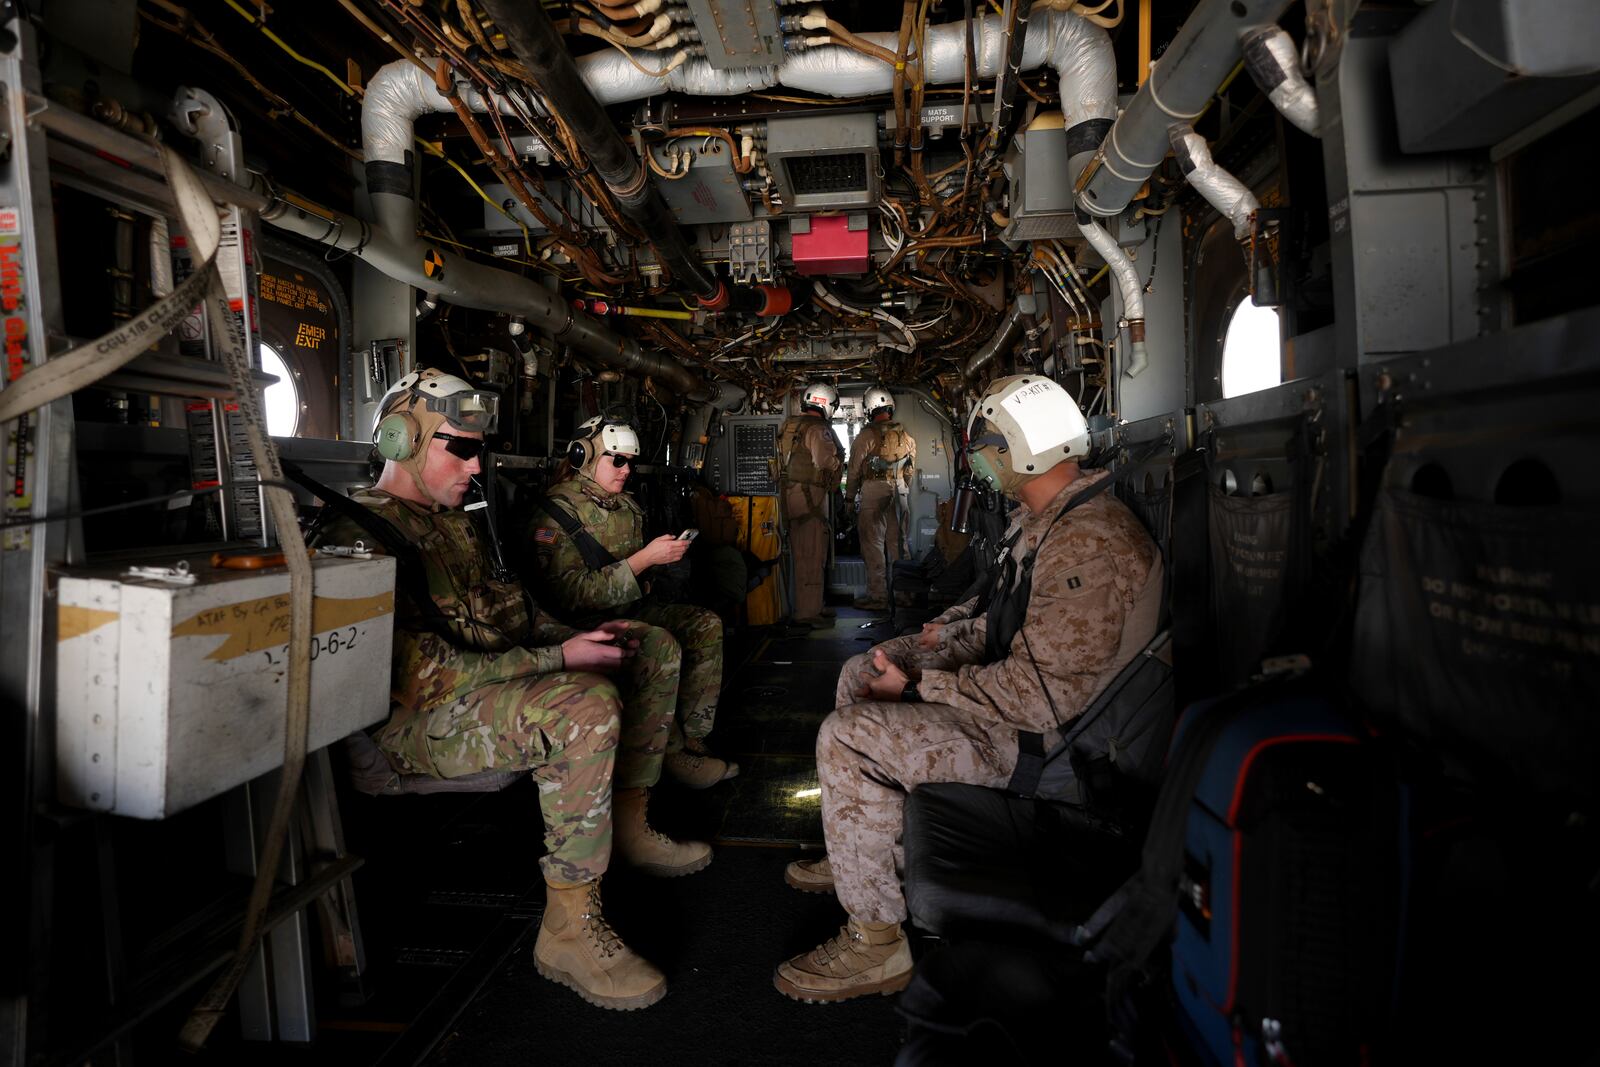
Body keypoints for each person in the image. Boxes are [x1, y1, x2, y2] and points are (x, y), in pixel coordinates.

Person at [311, 368, 709, 1013]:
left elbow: (513, 616)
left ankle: (630, 825)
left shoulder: (455, 523)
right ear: (398, 439)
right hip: (414, 726)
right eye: (459, 449)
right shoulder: (358, 534)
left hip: (485, 693)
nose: (474, 466)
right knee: (585, 705)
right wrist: (559, 657)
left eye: (479, 451)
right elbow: (416, 672)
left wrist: (585, 635)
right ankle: (568, 931)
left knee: (649, 647)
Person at [773, 375, 1163, 1003]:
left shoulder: (1088, 542)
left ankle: (876, 942)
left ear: (1019, 451)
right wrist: (942, 636)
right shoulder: (1047, 518)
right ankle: (865, 849)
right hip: (1023, 711)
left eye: (984, 447)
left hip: (1052, 751)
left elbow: (1041, 697)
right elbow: (1011, 621)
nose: (978, 460)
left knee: (846, 738)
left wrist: (920, 687)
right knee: (862, 669)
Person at [528, 415, 738, 789]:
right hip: (579, 626)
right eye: (617, 460)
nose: (627, 470)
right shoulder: (556, 514)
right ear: (584, 456)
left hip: (631, 608)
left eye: (630, 461)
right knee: (659, 645)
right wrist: (643, 561)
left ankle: (689, 737)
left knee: (704, 624)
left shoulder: (626, 506)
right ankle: (662, 757)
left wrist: (660, 562)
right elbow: (565, 596)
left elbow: (636, 575)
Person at [776, 382, 845, 628]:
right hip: (809, 500)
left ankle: (814, 605)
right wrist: (839, 463)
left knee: (807, 554)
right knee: (811, 555)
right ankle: (807, 614)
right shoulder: (817, 429)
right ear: (824, 404)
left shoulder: (790, 425)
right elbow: (826, 461)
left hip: (792, 497)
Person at [844, 385, 917, 611]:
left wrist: (849, 498)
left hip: (874, 490)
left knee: (872, 544)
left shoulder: (866, 436)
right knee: (899, 544)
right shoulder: (906, 437)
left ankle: (878, 597)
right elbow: (910, 471)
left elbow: (854, 470)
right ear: (890, 408)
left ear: (868, 410)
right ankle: (903, 596)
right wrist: (901, 487)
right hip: (900, 491)